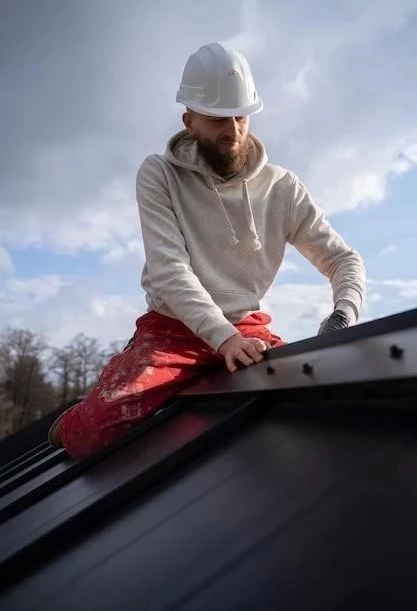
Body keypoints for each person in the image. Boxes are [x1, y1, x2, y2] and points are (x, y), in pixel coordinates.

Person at [48, 42, 365, 459]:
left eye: (239, 116)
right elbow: (169, 270)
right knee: (91, 436)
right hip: (172, 331)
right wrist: (222, 339)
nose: (231, 131)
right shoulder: (158, 175)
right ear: (190, 120)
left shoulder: (282, 187)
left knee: (314, 401)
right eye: (217, 118)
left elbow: (343, 258)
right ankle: (78, 415)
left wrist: (344, 314)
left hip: (246, 330)